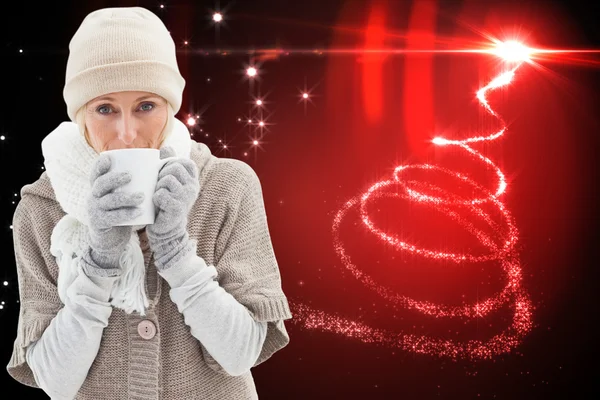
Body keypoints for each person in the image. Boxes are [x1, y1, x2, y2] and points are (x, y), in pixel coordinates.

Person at [6, 6, 293, 400]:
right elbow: (55, 381)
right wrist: (99, 263)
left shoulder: (228, 186)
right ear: (80, 115)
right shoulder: (41, 211)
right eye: (105, 109)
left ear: (170, 107)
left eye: (146, 106)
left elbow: (241, 353)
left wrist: (176, 251)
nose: (127, 134)